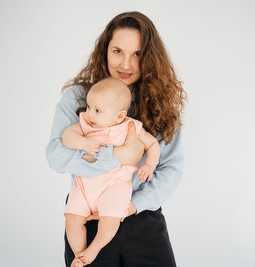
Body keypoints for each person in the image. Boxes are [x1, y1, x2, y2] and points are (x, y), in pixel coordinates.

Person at [46, 11, 186, 267]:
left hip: (140, 217)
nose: (126, 64)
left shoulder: (160, 105)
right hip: (87, 218)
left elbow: (171, 169)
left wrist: (131, 206)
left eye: (138, 54)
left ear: (150, 58)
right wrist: (117, 157)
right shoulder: (79, 98)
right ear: (104, 50)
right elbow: (56, 155)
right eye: (118, 51)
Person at [62, 77, 160, 267]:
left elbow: (153, 144)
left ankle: (94, 248)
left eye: (97, 110)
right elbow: (67, 136)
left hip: (114, 185)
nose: (89, 114)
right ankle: (79, 256)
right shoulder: (87, 125)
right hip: (84, 185)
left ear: (119, 116)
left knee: (110, 220)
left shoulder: (131, 127)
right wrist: (82, 142)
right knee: (72, 219)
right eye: (89, 106)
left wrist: (149, 165)